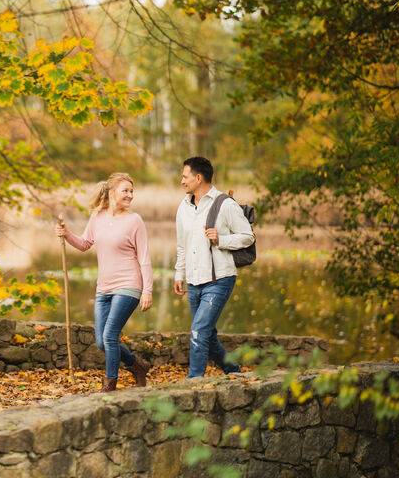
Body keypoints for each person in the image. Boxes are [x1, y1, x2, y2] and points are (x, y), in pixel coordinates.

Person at [56, 172, 153, 392]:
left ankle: (109, 385)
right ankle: (136, 365)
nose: (130, 195)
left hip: (129, 285)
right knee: (101, 341)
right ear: (111, 192)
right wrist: (66, 233)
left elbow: (144, 258)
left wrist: (147, 290)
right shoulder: (97, 216)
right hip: (104, 288)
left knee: (110, 335)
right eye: (125, 190)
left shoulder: (134, 220)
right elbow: (84, 244)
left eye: (131, 191)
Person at [173, 157, 254, 378]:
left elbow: (248, 237)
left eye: (185, 176)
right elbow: (182, 244)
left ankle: (194, 382)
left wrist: (222, 240)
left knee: (199, 331)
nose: (182, 181)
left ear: (198, 178)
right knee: (206, 335)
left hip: (220, 279)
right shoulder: (184, 206)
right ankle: (231, 369)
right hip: (194, 279)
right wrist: (179, 274)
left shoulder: (225, 204)